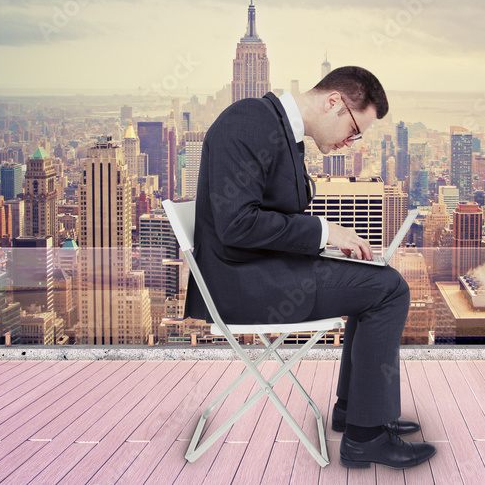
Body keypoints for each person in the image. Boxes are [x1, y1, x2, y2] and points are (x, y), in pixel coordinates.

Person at [184, 65, 435, 470]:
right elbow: (237, 224)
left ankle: (356, 412)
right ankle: (364, 438)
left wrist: (327, 242)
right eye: (354, 130)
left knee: (377, 282)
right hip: (243, 283)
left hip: (259, 269)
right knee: (389, 290)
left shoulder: (277, 127)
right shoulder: (249, 122)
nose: (352, 143)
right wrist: (325, 233)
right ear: (333, 101)